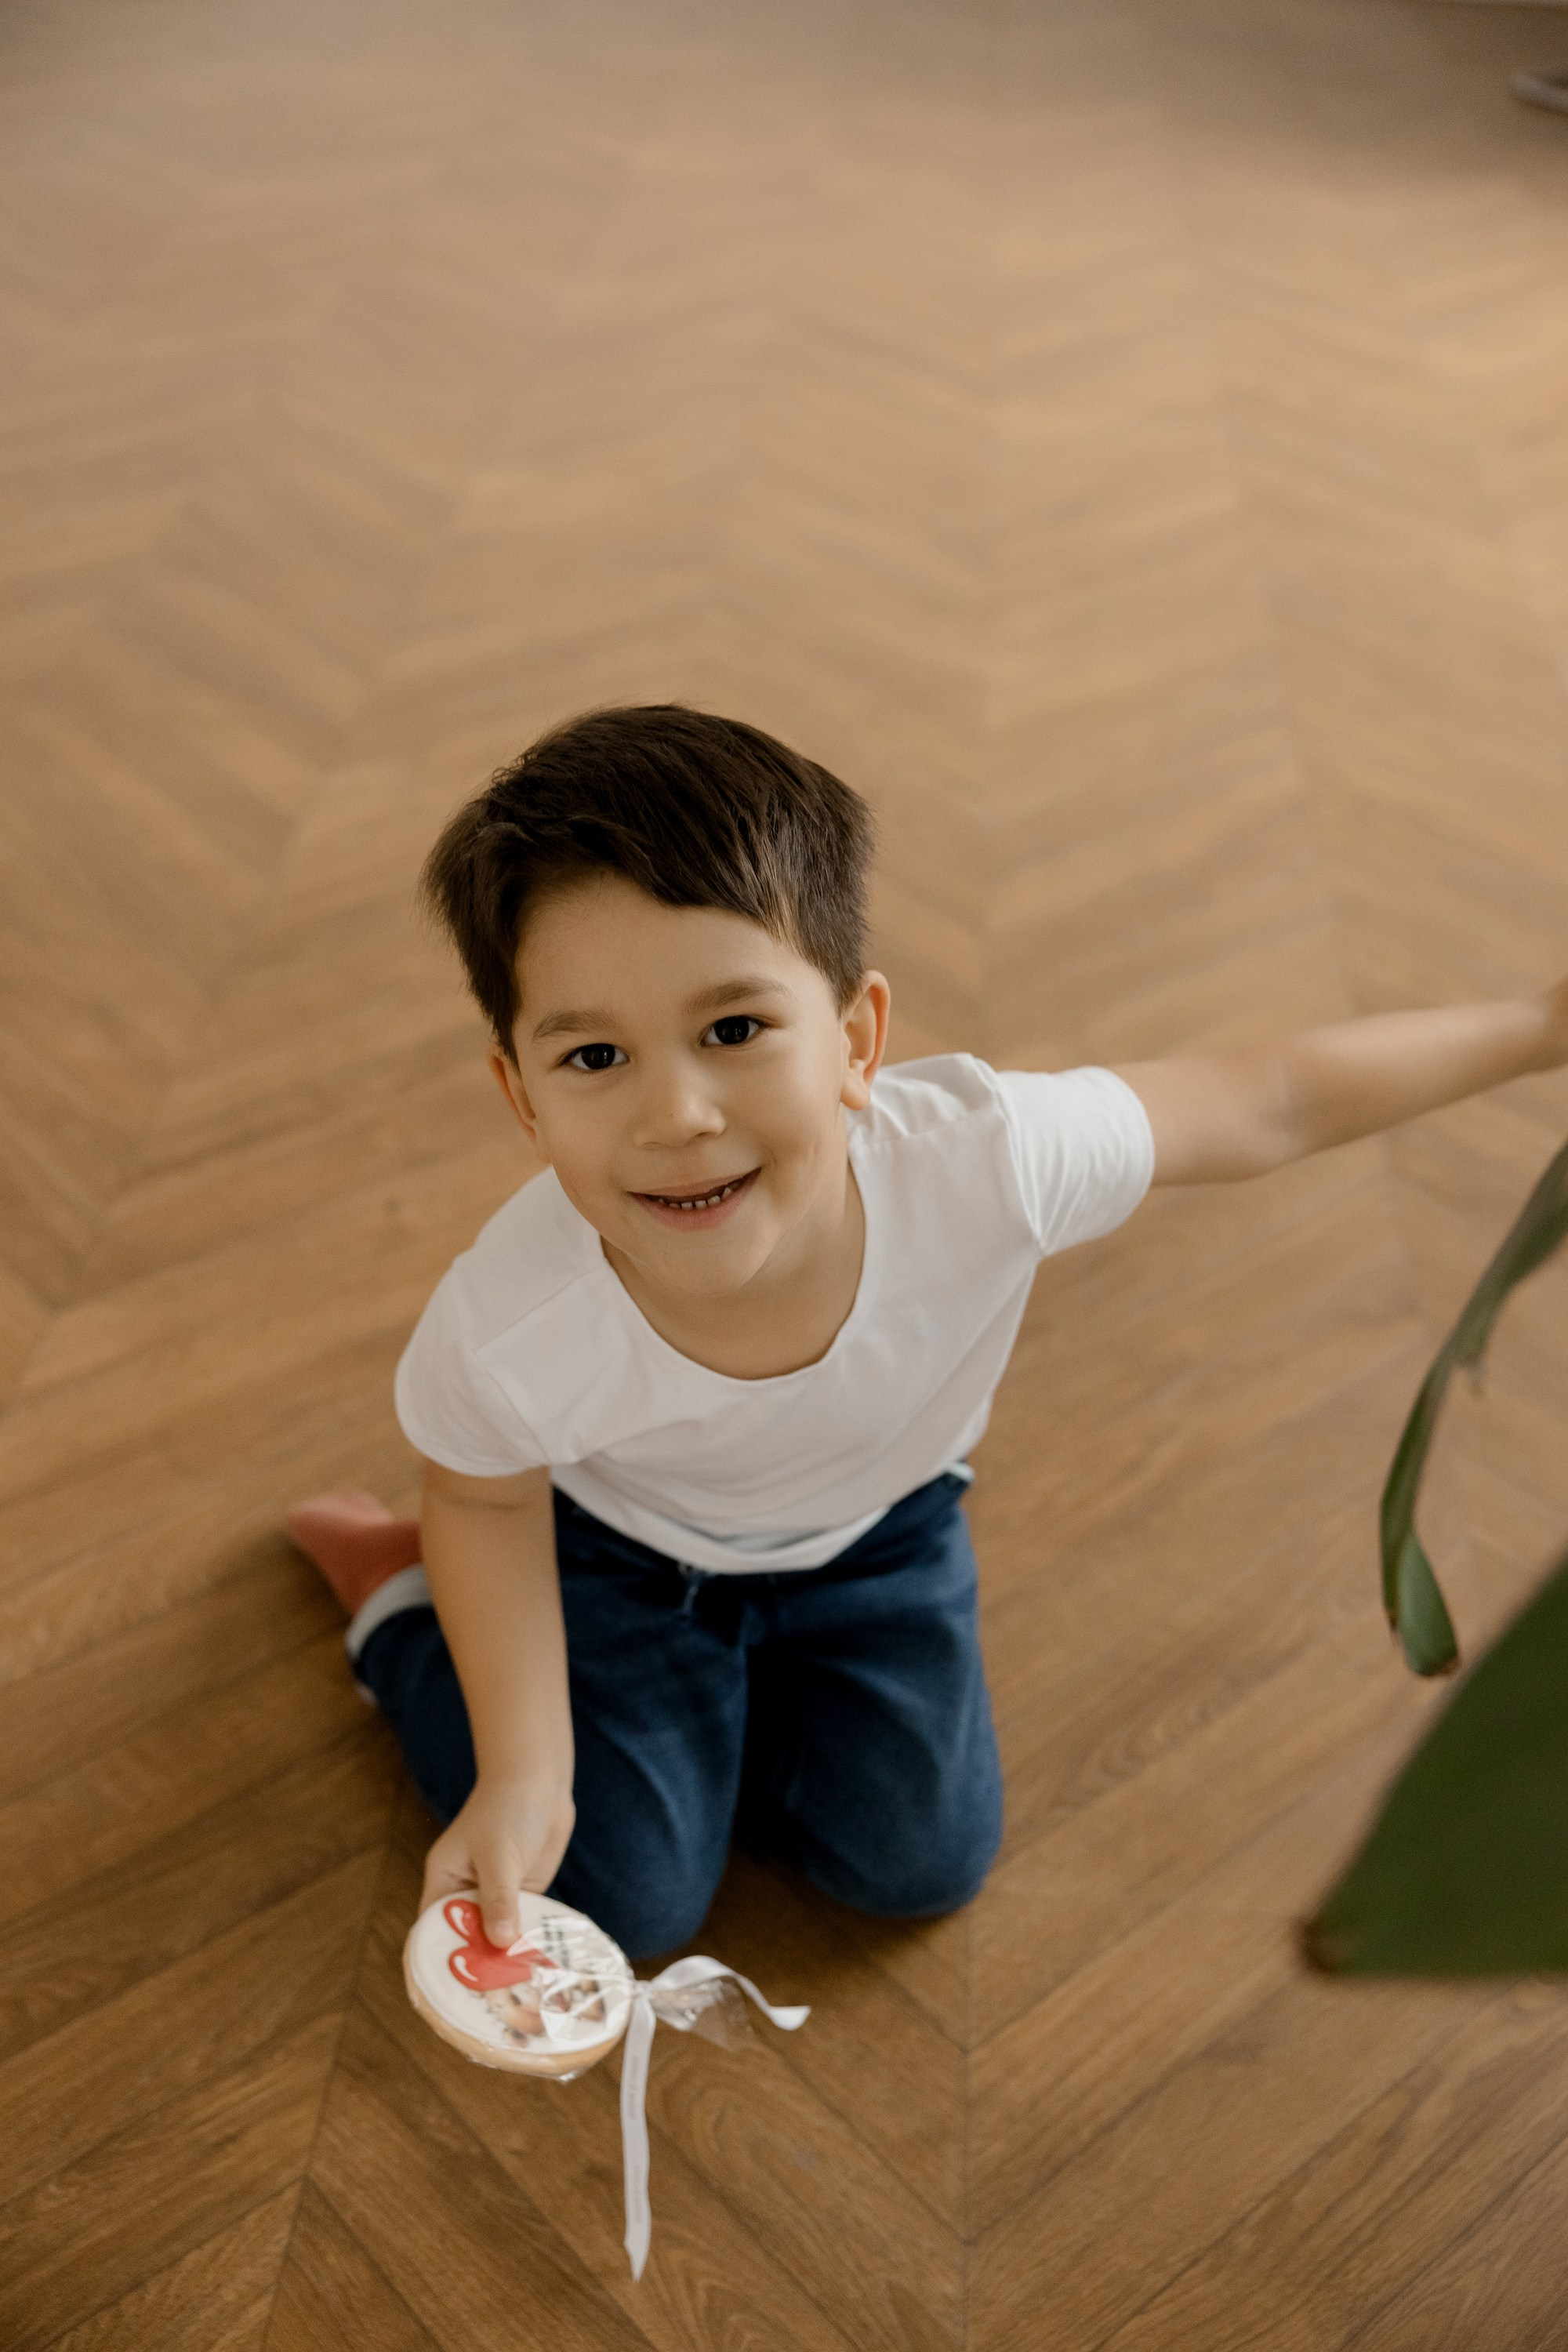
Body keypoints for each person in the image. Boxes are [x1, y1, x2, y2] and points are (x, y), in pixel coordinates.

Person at [287, 704, 1568, 1962]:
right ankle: (398, 1605)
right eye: (593, 1059)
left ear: (856, 1042)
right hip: (619, 1560)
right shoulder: (510, 1325)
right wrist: (526, 1771)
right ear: (521, 1096)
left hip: (881, 1537)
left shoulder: (987, 1160)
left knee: (918, 1866)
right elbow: (486, 1499)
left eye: (734, 1031)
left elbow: (1271, 1098)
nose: (676, 1115)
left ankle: (716, 1719)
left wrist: (1545, 1026)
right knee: (627, 1905)